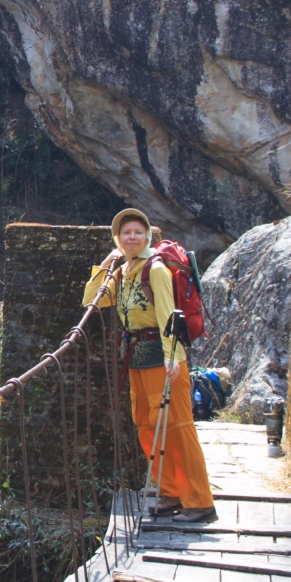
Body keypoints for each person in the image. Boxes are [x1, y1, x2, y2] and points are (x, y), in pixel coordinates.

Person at [83, 208, 217, 523]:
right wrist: (108, 262)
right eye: (126, 233)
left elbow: (169, 315)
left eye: (137, 232)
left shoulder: (155, 269)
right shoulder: (123, 271)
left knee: (178, 427)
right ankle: (170, 492)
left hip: (164, 357)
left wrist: (171, 358)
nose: (132, 237)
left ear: (147, 237)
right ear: (117, 238)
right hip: (137, 358)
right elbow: (92, 299)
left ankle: (200, 502)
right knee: (147, 425)